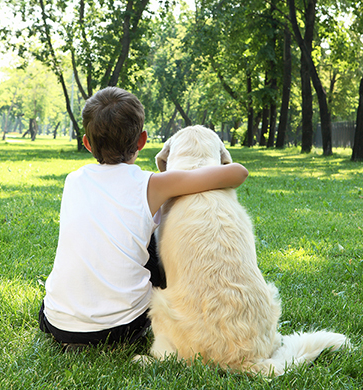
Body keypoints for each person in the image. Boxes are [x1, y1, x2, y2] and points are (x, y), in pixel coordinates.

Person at [38, 86, 249, 351]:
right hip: (122, 329)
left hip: (57, 324)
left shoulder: (73, 180)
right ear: (142, 141)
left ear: (87, 143)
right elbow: (238, 173)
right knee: (151, 243)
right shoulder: (151, 185)